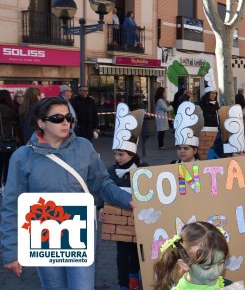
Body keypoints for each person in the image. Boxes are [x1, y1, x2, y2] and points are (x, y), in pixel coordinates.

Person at [0, 97, 133, 289]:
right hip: (43, 234)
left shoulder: (83, 146)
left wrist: (128, 200)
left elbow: (101, 183)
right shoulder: (22, 156)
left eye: (68, 117)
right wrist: (12, 252)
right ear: (41, 123)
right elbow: (12, 206)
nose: (65, 122)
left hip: (79, 232)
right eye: (57, 118)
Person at [100, 103, 146, 290]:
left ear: (132, 153)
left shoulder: (143, 170)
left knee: (136, 251)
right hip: (119, 222)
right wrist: (100, 208)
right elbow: (103, 191)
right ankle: (123, 283)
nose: (117, 157)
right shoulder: (110, 171)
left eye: (121, 154)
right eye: (115, 154)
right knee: (121, 253)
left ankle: (134, 276)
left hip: (138, 220)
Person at [153, 221, 235, 290]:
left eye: (221, 262)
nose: (217, 272)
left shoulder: (227, 286)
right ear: (184, 264)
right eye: (207, 267)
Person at [0, 90, 18, 190]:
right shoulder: (6, 109)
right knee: (7, 163)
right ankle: (6, 185)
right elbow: (17, 117)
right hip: (6, 141)